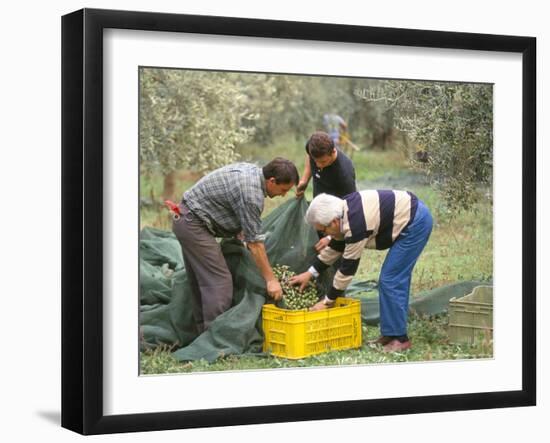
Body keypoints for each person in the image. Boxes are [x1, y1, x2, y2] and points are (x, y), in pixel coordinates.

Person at [289, 190, 433, 352]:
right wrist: (310, 273)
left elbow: (347, 270)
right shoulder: (342, 211)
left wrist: (327, 302)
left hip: (415, 222)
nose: (324, 234)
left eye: (323, 230)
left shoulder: (356, 224)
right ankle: (390, 334)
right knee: (391, 279)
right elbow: (336, 246)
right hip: (408, 213)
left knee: (391, 279)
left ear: (334, 222)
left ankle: (400, 339)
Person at [173, 158, 299, 333]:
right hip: (194, 225)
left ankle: (202, 332)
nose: (284, 194)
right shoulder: (252, 194)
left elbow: (234, 208)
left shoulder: (253, 171)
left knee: (201, 280)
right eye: (283, 189)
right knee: (219, 282)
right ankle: (216, 341)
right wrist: (271, 280)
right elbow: (255, 244)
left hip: (187, 218)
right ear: (272, 181)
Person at [295, 131, 356, 252]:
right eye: (315, 161)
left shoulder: (344, 174)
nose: (318, 165)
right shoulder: (313, 147)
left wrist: (330, 237)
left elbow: (350, 209)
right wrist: (304, 180)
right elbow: (309, 156)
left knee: (331, 254)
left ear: (333, 152)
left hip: (334, 221)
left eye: (322, 162)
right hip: (319, 208)